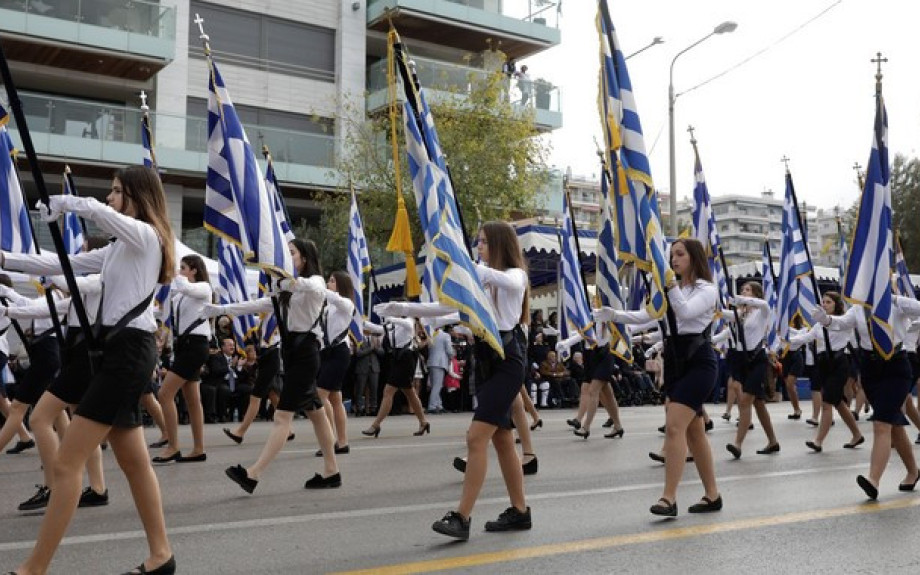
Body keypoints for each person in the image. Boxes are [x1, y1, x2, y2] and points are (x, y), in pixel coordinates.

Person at [4, 165, 176, 574]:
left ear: (136, 196)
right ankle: (161, 556)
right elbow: (60, 265)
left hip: (128, 354)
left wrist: (72, 204)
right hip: (114, 353)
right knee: (134, 462)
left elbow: (105, 216)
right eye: (111, 192)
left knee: (65, 465)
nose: (112, 198)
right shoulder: (118, 247)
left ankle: (33, 569)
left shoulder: (148, 238)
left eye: (117, 191)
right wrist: (6, 258)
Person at [379, 221, 533, 539]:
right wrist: (403, 308)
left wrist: (468, 267)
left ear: (501, 245)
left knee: (476, 438)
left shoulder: (515, 276)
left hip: (507, 362)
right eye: (477, 242)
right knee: (502, 440)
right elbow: (449, 310)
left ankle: (462, 517)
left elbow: (508, 281)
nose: (479, 247)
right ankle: (520, 511)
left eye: (484, 242)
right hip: (487, 363)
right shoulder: (481, 280)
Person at [594, 238, 722, 518]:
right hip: (676, 364)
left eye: (680, 254)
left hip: (699, 363)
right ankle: (713, 495)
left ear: (694, 258)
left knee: (674, 427)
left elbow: (685, 311)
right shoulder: (672, 290)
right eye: (671, 255)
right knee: (695, 432)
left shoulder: (707, 290)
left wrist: (669, 287)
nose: (674, 260)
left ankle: (669, 498)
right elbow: (647, 316)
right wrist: (613, 314)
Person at [205, 238, 341, 493]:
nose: (286, 257)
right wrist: (222, 309)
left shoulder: (314, 283)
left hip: (306, 355)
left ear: (305, 258)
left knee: (282, 416)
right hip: (292, 355)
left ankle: (253, 474)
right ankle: (332, 471)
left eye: (291, 253)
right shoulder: (285, 291)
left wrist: (284, 280)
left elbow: (312, 287)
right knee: (317, 412)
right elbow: (258, 305)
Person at [818, 292, 919, 500]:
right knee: (894, 426)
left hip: (895, 366)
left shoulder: (895, 305)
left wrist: (893, 298)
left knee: (882, 424)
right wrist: (826, 320)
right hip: (871, 369)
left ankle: (873, 480)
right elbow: (843, 323)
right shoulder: (858, 309)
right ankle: (913, 471)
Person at [152, 254, 212, 463]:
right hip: (185, 346)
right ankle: (198, 449)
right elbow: (161, 313)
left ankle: (173, 446)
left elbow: (186, 287)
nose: (180, 271)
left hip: (196, 345)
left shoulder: (203, 288)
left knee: (164, 394)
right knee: (193, 400)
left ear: (194, 270)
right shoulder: (181, 296)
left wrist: (173, 270)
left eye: (184, 267)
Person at [787, 292, 862, 452]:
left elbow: (837, 325)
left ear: (836, 304)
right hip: (824, 365)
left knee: (827, 403)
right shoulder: (818, 325)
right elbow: (806, 338)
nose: (825, 304)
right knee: (838, 403)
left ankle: (818, 441)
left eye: (829, 302)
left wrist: (827, 320)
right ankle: (857, 434)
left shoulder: (843, 322)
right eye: (824, 302)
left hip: (839, 364)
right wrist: (786, 342)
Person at [722, 282, 781, 459]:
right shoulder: (741, 314)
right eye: (742, 291)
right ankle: (773, 441)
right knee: (759, 404)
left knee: (745, 401)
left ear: (755, 294)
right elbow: (723, 315)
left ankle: (737, 444)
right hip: (742, 360)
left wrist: (745, 300)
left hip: (757, 360)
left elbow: (763, 304)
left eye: (747, 290)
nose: (743, 293)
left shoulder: (762, 312)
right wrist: (714, 309)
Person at [361, 312, 430, 438]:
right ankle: (423, 422)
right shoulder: (392, 325)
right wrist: (362, 322)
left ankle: (376, 425)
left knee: (388, 391)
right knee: (410, 393)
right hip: (397, 359)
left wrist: (391, 318)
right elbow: (379, 329)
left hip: (407, 358)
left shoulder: (408, 321)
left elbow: (407, 324)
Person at [315, 271, 356, 457]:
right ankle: (342, 442)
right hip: (326, 353)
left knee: (320, 395)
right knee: (335, 400)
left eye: (332, 281)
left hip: (339, 352)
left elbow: (335, 299)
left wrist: (319, 288)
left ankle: (329, 441)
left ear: (340, 284)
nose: (328, 283)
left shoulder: (346, 303)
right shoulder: (326, 308)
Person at [426, 324, 455, 414]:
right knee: (437, 385)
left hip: (431, 361)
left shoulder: (430, 334)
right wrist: (452, 355)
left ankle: (439, 405)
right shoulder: (445, 335)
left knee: (436, 385)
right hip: (440, 362)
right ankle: (432, 406)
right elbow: (449, 350)